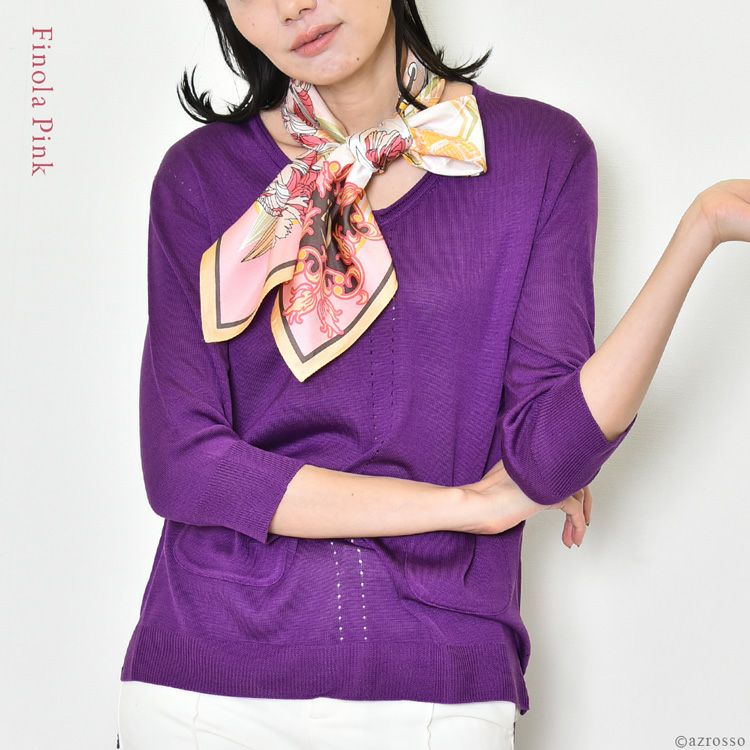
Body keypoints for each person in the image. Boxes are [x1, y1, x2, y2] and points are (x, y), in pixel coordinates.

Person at [116, 0, 750, 747]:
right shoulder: (199, 176)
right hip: (201, 693)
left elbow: (547, 459)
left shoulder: (540, 154)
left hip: (437, 696)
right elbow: (185, 467)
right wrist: (462, 506)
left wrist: (701, 229)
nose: (292, 6)